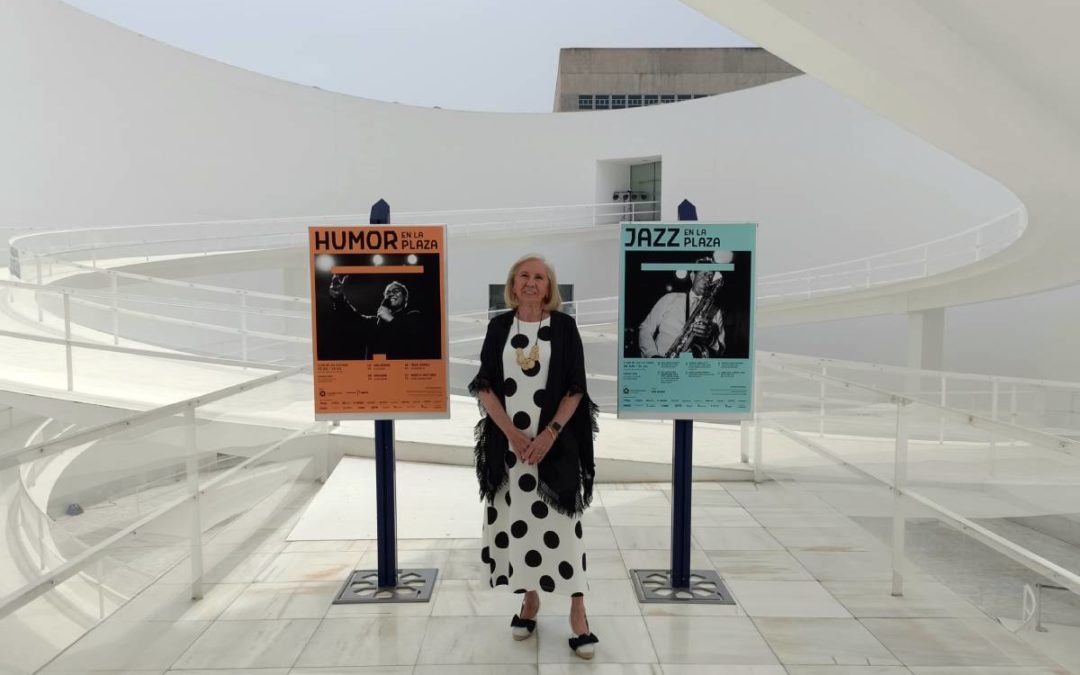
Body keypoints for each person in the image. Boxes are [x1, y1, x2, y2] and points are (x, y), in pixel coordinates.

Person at [469, 254, 600, 659]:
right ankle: (530, 601)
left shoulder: (564, 327)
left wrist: (548, 435)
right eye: (523, 276)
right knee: (518, 525)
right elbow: (484, 385)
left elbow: (575, 388)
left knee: (565, 528)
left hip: (555, 448)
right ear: (513, 284)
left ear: (549, 287)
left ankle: (578, 611)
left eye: (539, 277)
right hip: (509, 452)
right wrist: (511, 434)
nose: (530, 282)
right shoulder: (498, 327)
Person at [638, 260, 725, 358]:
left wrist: (710, 340)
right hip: (661, 362)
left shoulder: (716, 312)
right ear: (692, 276)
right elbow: (645, 328)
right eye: (704, 274)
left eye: (711, 276)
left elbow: (721, 350)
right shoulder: (670, 298)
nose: (707, 280)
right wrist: (652, 355)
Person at [328, 276, 427, 359]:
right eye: (388, 293)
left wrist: (390, 319)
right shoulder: (376, 322)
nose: (391, 293)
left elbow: (414, 340)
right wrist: (339, 298)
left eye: (396, 291)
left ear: (405, 297)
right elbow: (352, 317)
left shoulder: (413, 316)